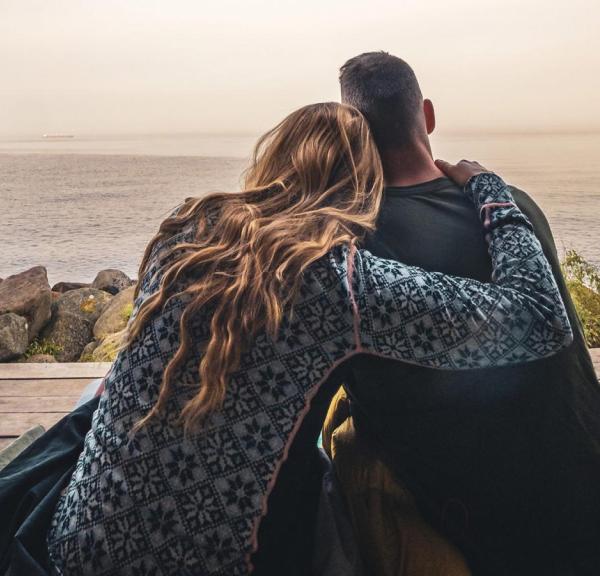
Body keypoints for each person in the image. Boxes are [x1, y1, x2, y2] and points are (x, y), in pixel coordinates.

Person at [45, 101, 571, 576]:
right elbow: (538, 318)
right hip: (224, 562)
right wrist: (490, 191)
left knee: (94, 399)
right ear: (366, 183)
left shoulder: (185, 230)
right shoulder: (339, 283)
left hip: (76, 542)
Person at [325, 51, 600, 576]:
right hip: (582, 479)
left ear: (353, 134)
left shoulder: (358, 243)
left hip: (488, 528)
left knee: (348, 434)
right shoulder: (509, 204)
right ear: (426, 116)